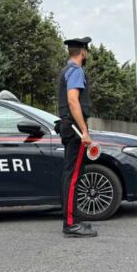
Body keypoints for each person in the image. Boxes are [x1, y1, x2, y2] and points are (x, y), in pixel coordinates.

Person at [57, 37, 98, 238]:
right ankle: (71, 224)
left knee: (71, 174)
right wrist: (84, 131)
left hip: (68, 127)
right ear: (83, 52)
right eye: (86, 52)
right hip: (74, 128)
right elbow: (74, 101)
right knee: (73, 176)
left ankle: (74, 218)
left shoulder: (67, 70)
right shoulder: (76, 70)